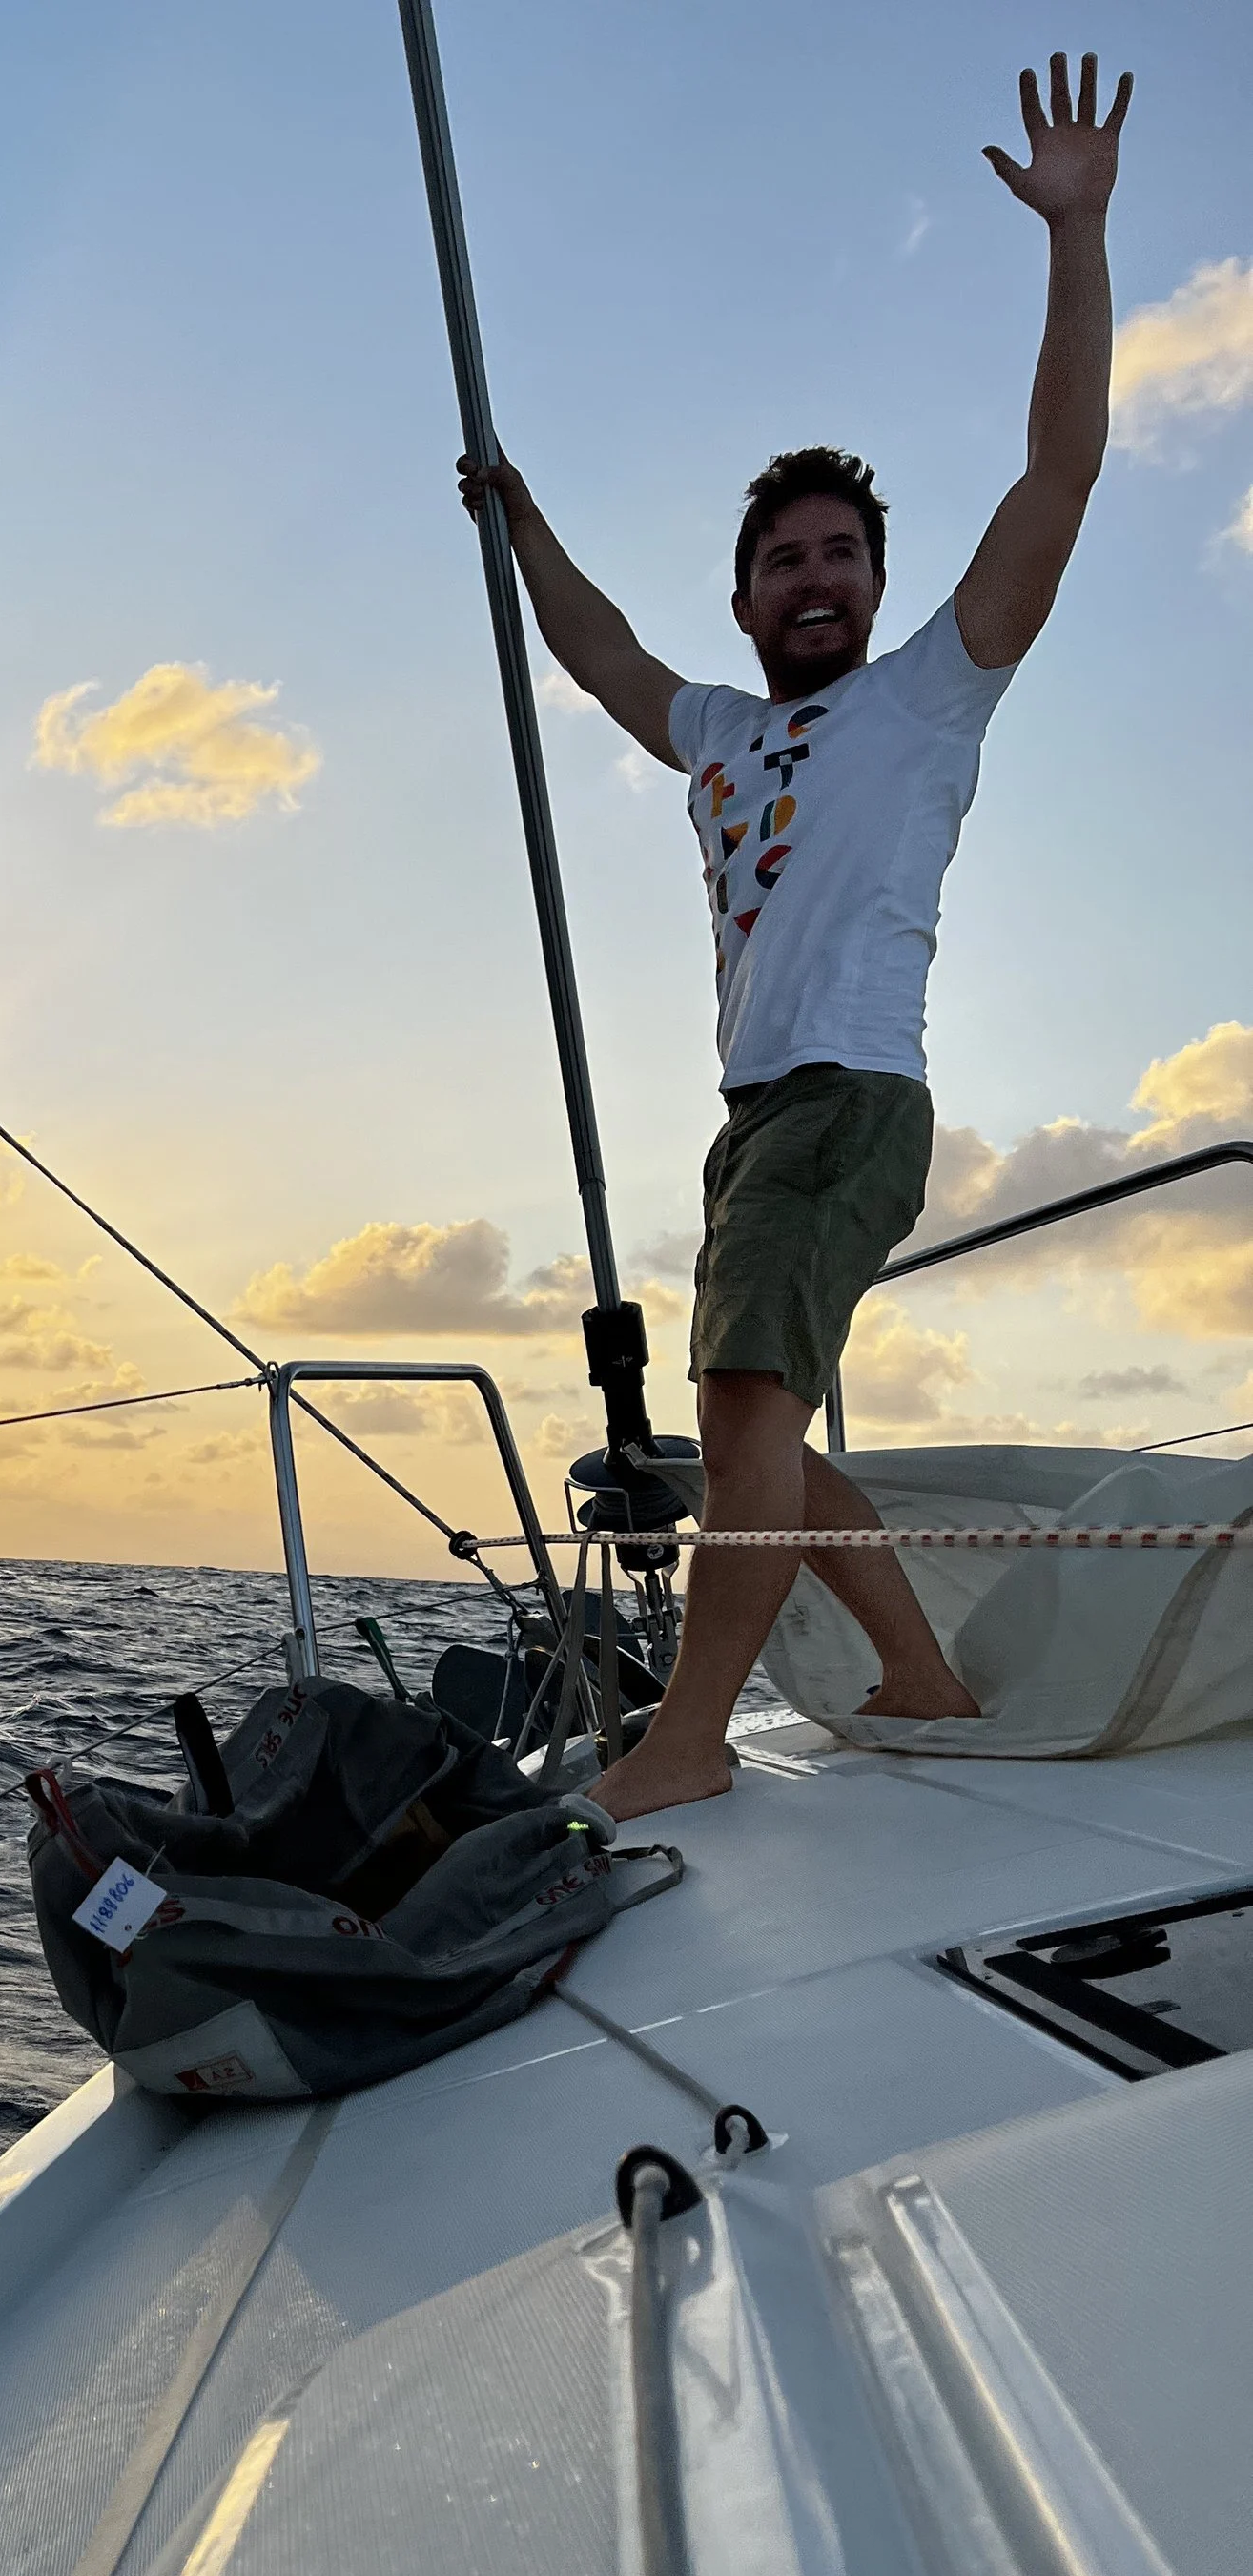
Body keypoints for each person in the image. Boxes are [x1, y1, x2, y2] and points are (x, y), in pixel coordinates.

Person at [461, 52, 1131, 1818]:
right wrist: (517, 517)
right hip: (758, 1117)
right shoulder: (722, 734)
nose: (816, 576)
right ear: (748, 594)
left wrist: (1076, 232)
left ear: (878, 588)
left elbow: (1062, 471)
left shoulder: (930, 697)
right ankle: (921, 1676)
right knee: (760, 1424)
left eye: (843, 554)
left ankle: (685, 1744)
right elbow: (599, 651)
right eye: (785, 559)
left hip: (848, 1096)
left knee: (746, 1404)